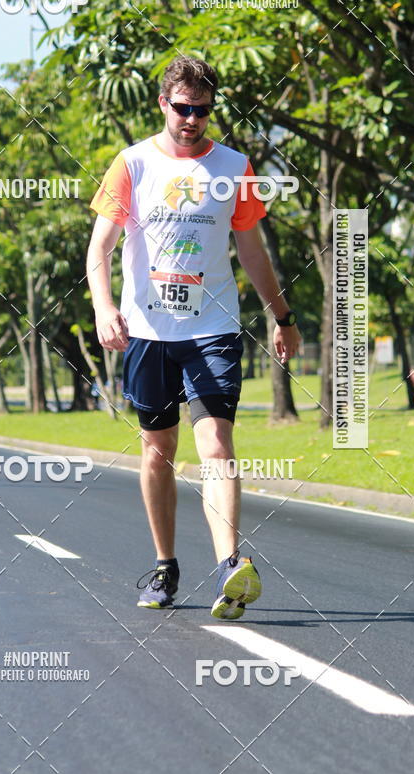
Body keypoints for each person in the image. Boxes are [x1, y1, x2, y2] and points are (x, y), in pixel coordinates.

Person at [86, 55, 301, 619]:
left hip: (212, 328)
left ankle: (232, 564)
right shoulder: (130, 165)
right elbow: (100, 249)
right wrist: (105, 307)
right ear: (163, 103)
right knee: (159, 451)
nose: (191, 119)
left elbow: (252, 252)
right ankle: (165, 566)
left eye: (202, 111)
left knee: (216, 446)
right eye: (182, 108)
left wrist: (281, 316)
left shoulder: (234, 167)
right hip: (148, 332)